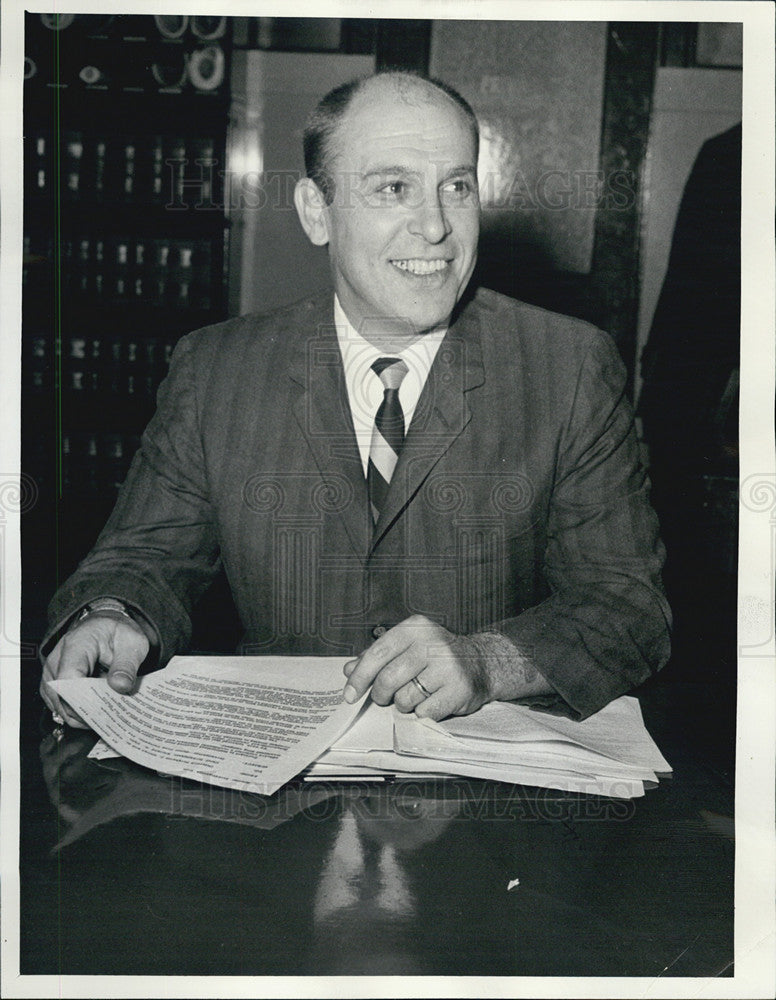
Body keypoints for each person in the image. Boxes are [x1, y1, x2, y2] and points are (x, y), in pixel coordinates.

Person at [40, 71, 670, 729]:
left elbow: (629, 608)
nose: (435, 227)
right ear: (317, 212)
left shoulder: (566, 367)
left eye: (455, 187)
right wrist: (110, 616)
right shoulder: (217, 370)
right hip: (274, 803)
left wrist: (489, 661)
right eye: (394, 189)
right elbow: (141, 559)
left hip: (477, 802)